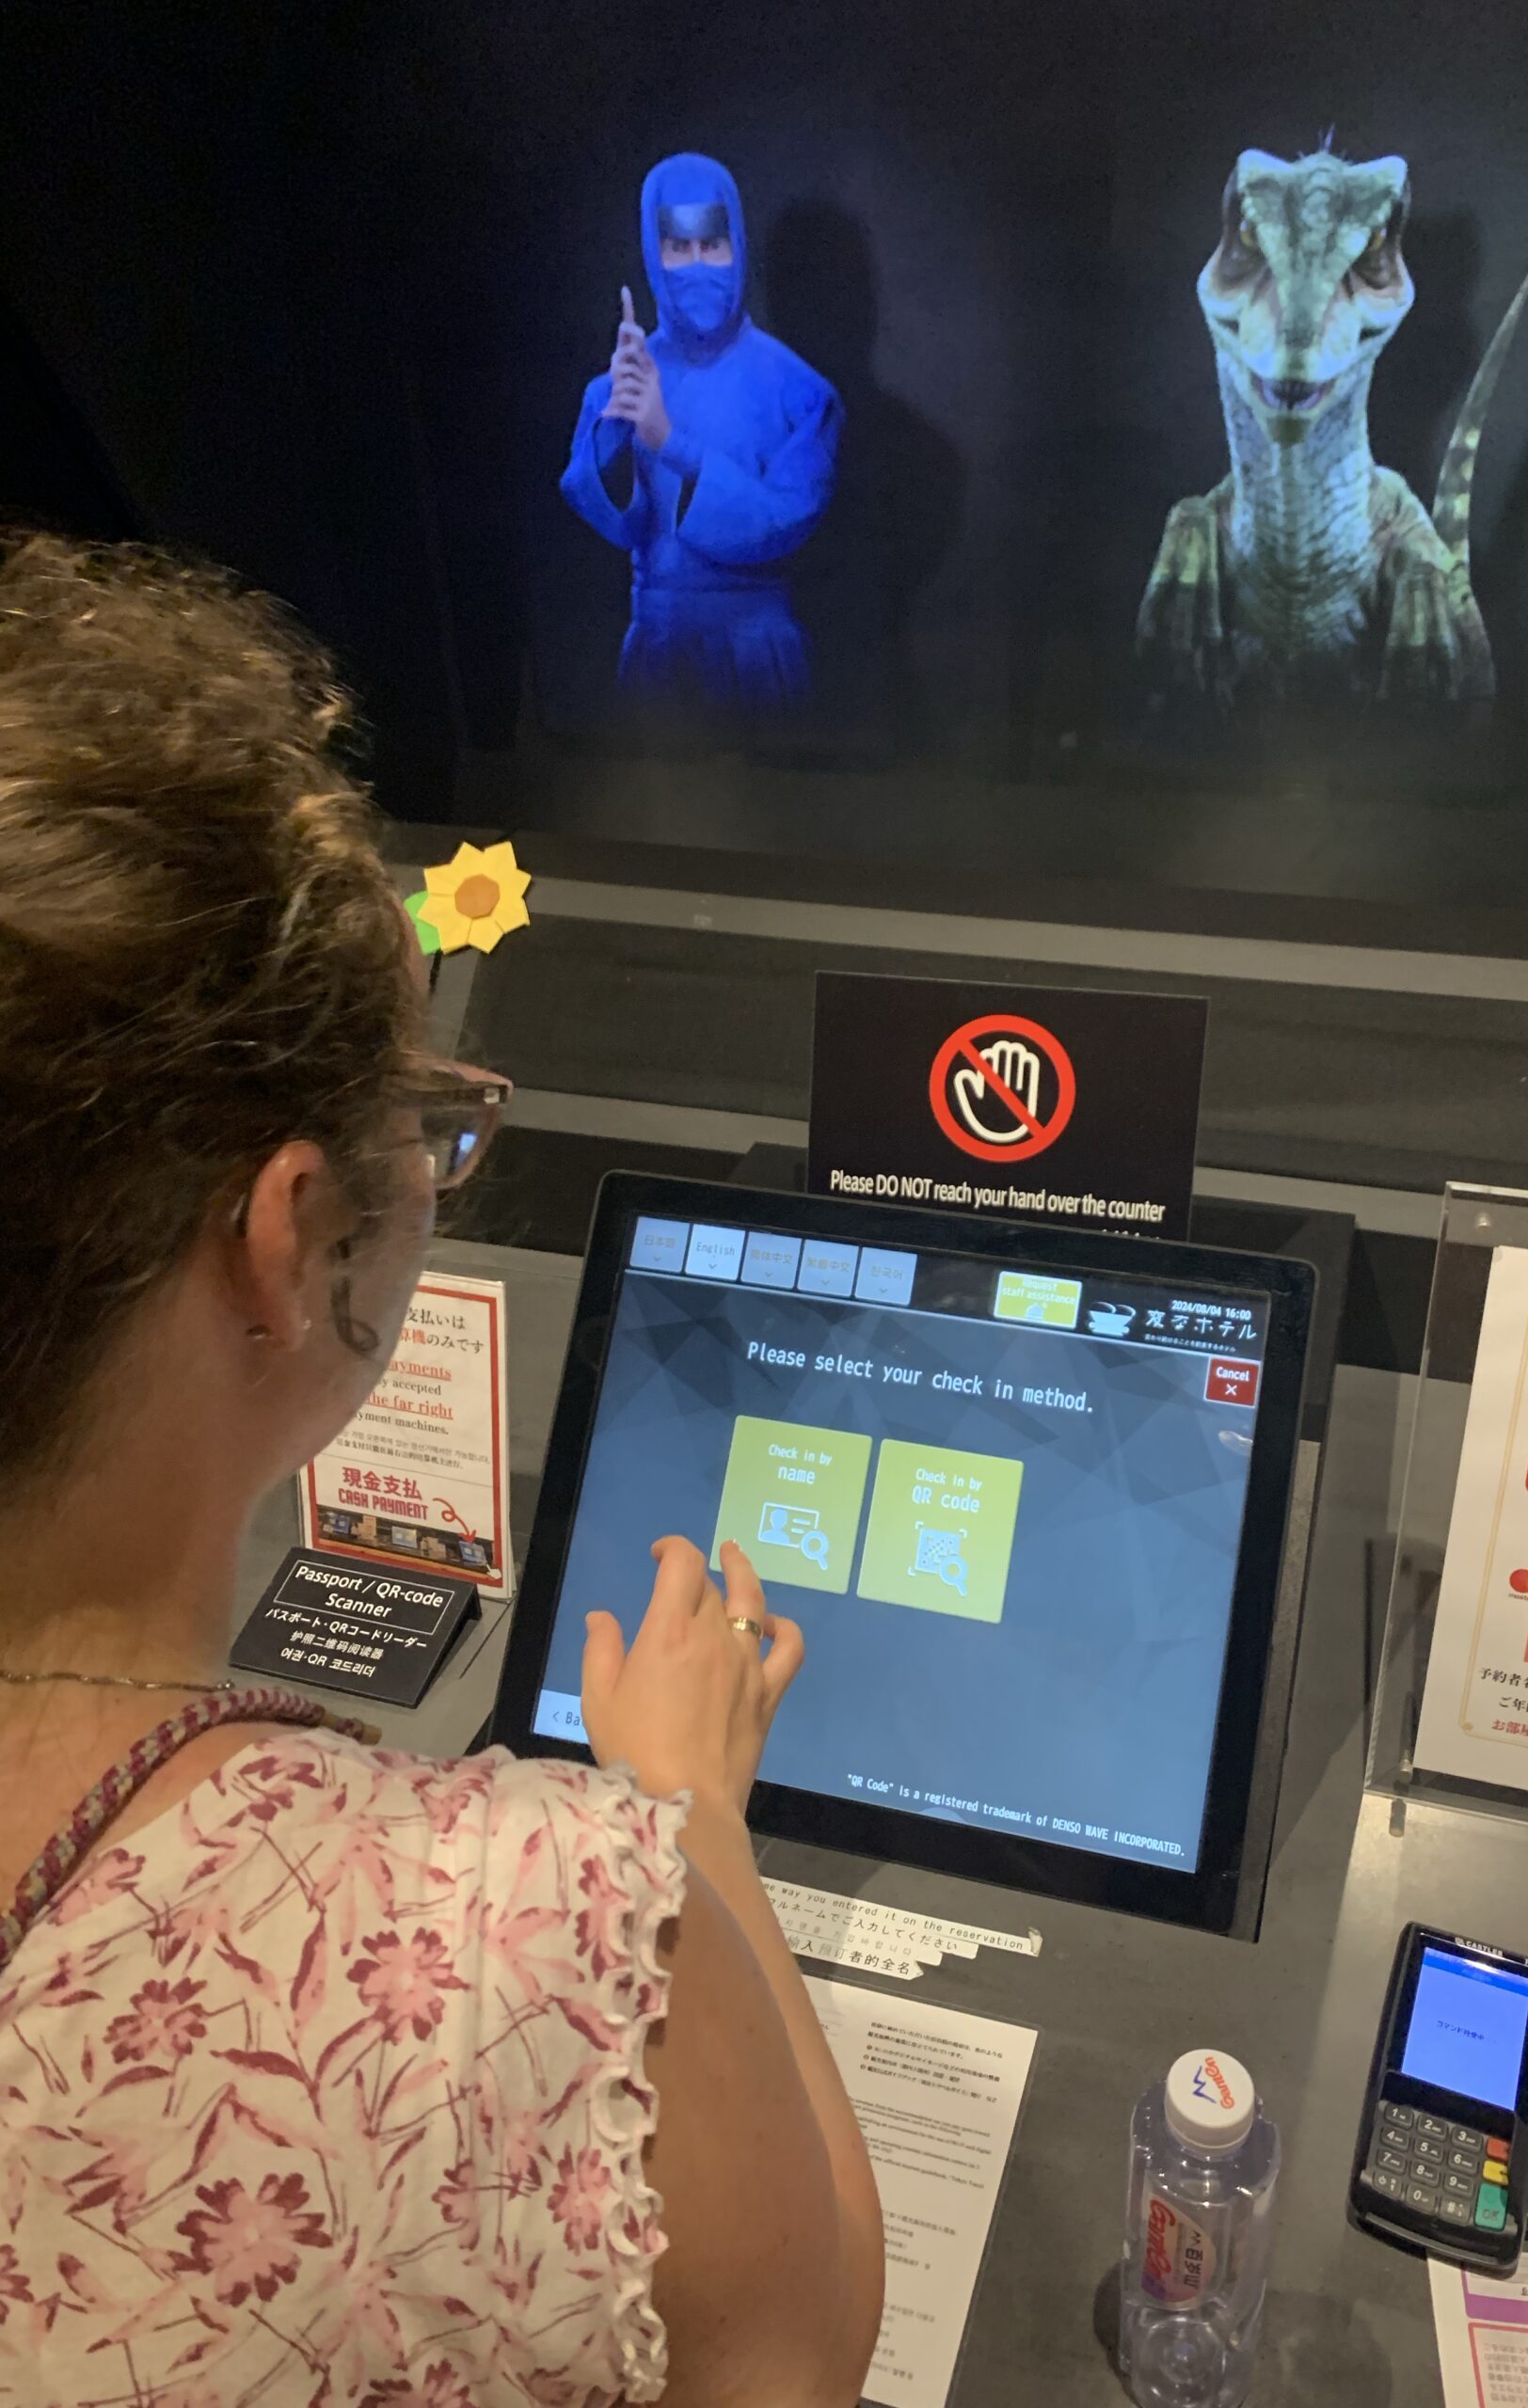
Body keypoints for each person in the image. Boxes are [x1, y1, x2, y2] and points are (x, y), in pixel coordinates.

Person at [0, 533, 883, 2407]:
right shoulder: (529, 1938)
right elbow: (799, 2349)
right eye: (416, 1119)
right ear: (286, 1235)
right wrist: (689, 1813)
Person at [559, 152, 842, 722]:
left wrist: (669, 441)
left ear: (737, 245)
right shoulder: (620, 386)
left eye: (712, 245)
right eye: (677, 247)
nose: (696, 267)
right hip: (657, 657)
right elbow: (610, 522)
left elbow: (782, 519)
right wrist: (616, 426)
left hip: (760, 656)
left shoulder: (801, 393)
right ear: (653, 251)